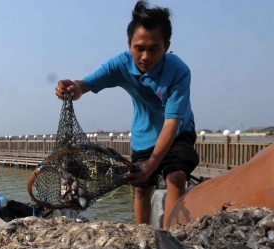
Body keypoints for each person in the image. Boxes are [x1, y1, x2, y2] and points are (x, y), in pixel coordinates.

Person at [55, 0, 199, 227]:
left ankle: (172, 235)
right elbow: (86, 84)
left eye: (154, 49)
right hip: (144, 134)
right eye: (139, 48)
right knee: (141, 188)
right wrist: (72, 89)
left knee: (176, 176)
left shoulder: (178, 71)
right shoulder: (120, 64)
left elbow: (172, 122)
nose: (145, 56)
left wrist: (153, 163)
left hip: (177, 131)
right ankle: (142, 234)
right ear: (129, 44)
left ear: (167, 45)